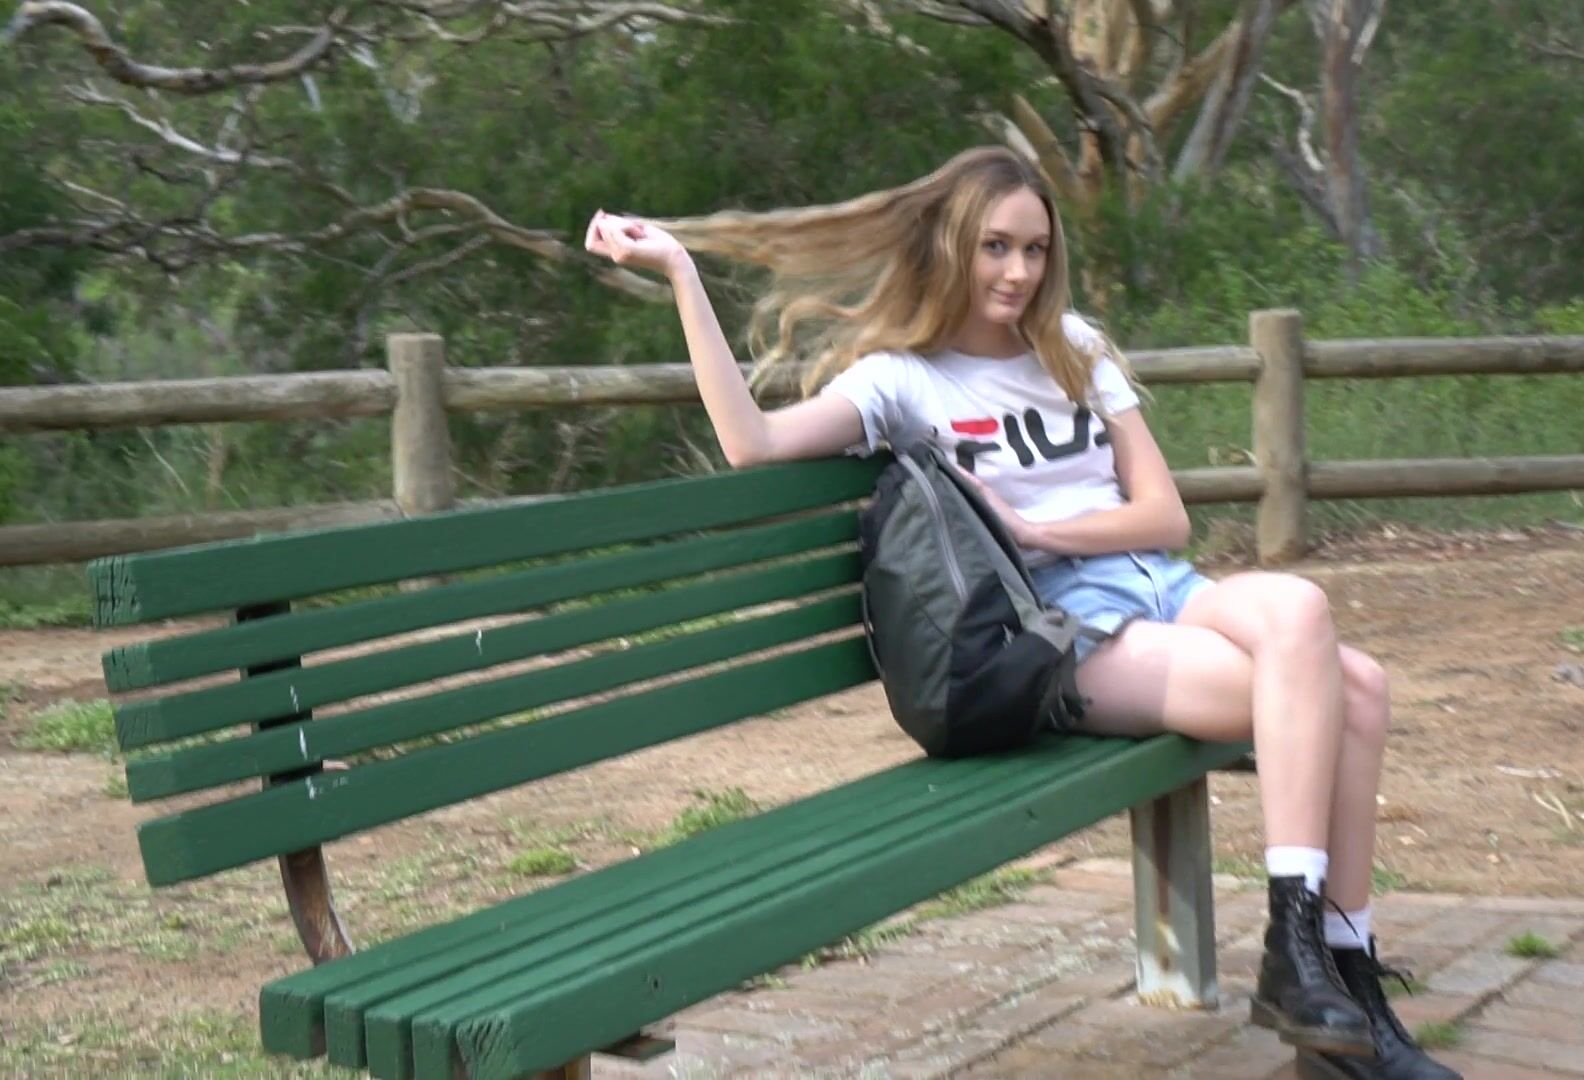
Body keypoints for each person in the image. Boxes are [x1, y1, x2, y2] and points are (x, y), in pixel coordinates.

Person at [582, 146, 1457, 1080]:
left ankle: (1326, 977)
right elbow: (750, 442)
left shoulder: (1073, 347)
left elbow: (1164, 516)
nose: (1018, 271)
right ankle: (1336, 997)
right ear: (953, 246)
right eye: (995, 246)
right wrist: (682, 274)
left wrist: (1038, 525)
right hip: (1064, 636)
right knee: (1341, 693)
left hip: (1163, 588)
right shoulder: (902, 381)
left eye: (1035, 250)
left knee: (1313, 621)